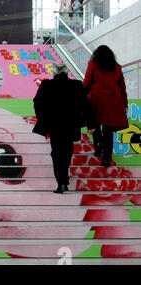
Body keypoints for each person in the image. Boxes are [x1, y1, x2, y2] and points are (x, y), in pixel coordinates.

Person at [33, 63, 95, 194]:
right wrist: (90, 123)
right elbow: (86, 105)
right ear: (67, 73)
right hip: (71, 124)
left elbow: (37, 102)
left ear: (54, 73)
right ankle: (64, 176)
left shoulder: (46, 85)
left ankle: (61, 183)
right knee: (67, 151)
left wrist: (42, 119)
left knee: (56, 152)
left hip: (54, 125)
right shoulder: (77, 85)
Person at [83, 45, 129, 167]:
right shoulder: (117, 67)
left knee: (94, 125)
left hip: (96, 99)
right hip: (113, 101)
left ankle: (98, 143)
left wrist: (82, 96)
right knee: (108, 131)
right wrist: (125, 103)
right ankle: (106, 159)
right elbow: (122, 87)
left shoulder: (92, 65)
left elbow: (86, 83)